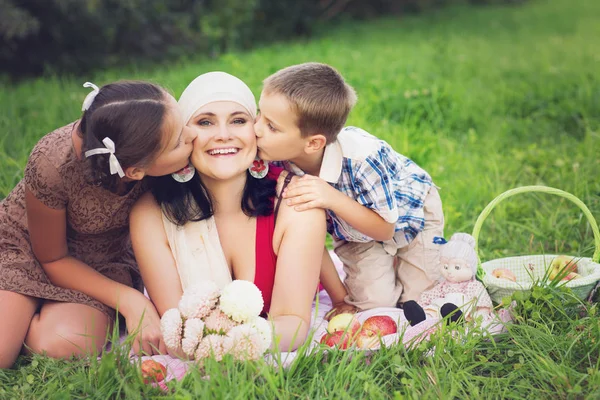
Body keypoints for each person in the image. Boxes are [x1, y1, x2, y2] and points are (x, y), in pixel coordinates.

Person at [0, 80, 196, 368]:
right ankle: (17, 305)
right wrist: (133, 301)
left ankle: (35, 316)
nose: (192, 134)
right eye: (180, 140)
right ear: (136, 171)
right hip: (28, 250)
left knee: (59, 344)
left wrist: (287, 183)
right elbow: (51, 256)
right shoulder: (51, 163)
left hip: (105, 260)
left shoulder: (149, 144)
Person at [130, 72, 326, 352]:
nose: (223, 135)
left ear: (256, 129)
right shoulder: (151, 213)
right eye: (205, 122)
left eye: (238, 120)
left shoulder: (296, 202)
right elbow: (176, 325)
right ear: (183, 136)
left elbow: (292, 323)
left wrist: (232, 346)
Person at [253, 62, 445, 314]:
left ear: (313, 143)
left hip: (410, 214)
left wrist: (331, 197)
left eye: (271, 126)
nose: (255, 128)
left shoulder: (362, 158)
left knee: (421, 303)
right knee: (373, 307)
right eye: (259, 115)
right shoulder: (276, 164)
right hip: (353, 231)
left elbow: (385, 229)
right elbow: (305, 238)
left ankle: (417, 258)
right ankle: (387, 267)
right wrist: (340, 299)